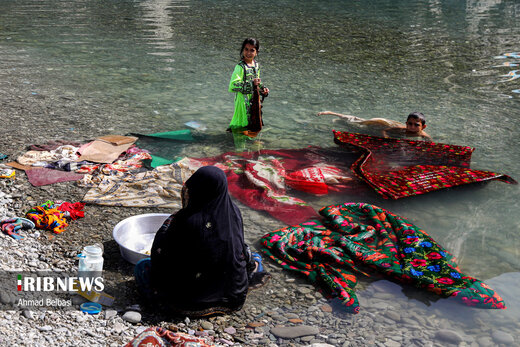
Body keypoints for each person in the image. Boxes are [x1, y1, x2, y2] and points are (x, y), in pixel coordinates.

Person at [134, 166, 269, 317]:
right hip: (232, 299)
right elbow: (236, 247)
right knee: (253, 257)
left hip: (187, 303)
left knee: (142, 267)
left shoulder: (185, 221)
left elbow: (161, 256)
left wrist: (168, 225)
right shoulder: (234, 212)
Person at [228, 38, 269, 132]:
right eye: (246, 49)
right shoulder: (240, 67)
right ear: (242, 50)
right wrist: (251, 85)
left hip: (254, 99)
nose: (248, 53)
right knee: (241, 123)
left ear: (256, 52)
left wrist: (263, 90)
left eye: (252, 50)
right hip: (242, 100)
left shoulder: (256, 65)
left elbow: (257, 82)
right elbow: (233, 85)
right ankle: (239, 145)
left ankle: (251, 143)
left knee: (254, 121)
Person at [317, 110, 431, 141]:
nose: (412, 127)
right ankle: (332, 113)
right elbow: (385, 130)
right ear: (406, 124)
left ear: (422, 127)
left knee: (359, 125)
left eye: (416, 125)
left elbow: (429, 141)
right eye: (409, 124)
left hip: (386, 126)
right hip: (381, 123)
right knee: (358, 122)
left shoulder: (423, 134)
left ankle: (338, 119)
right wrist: (385, 138)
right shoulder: (402, 129)